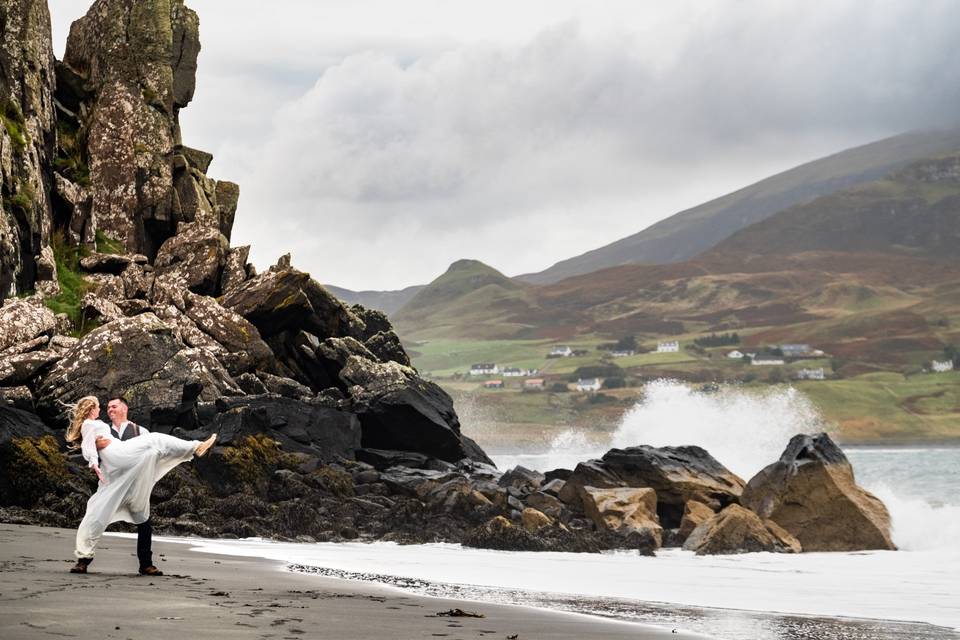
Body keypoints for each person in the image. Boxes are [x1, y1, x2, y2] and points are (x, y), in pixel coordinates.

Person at [66, 395, 217, 574]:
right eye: (107, 408)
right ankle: (83, 560)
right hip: (112, 482)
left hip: (137, 482)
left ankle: (146, 564)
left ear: (124, 408)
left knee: (144, 520)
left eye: (114, 407)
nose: (109, 410)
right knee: (95, 517)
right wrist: (93, 457)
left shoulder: (140, 431)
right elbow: (89, 445)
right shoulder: (102, 427)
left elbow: (156, 455)